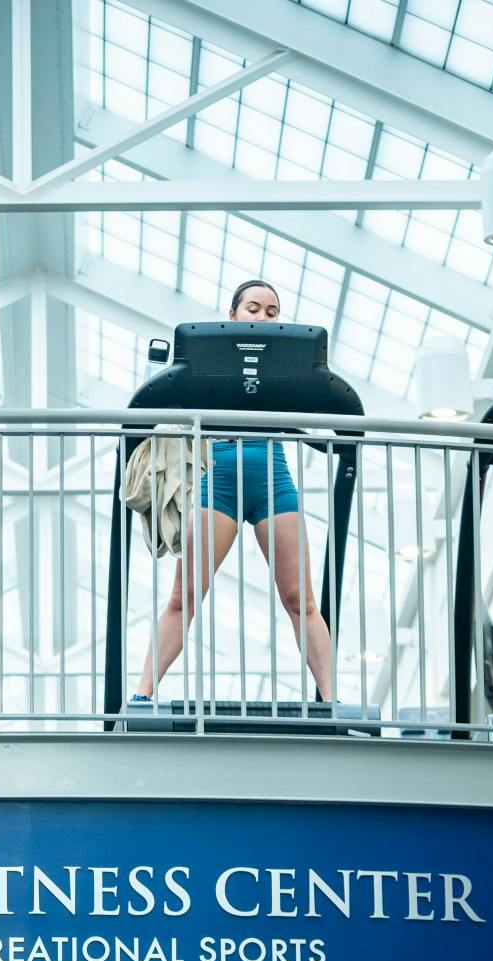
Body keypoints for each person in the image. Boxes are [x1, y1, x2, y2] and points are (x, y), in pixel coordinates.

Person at [131, 279, 336, 705]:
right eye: (254, 308)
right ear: (233, 315)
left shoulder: (287, 362)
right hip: (217, 475)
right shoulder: (210, 357)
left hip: (271, 476)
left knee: (301, 599)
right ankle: (142, 694)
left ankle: (332, 700)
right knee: (183, 597)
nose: (263, 317)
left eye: (272, 312)